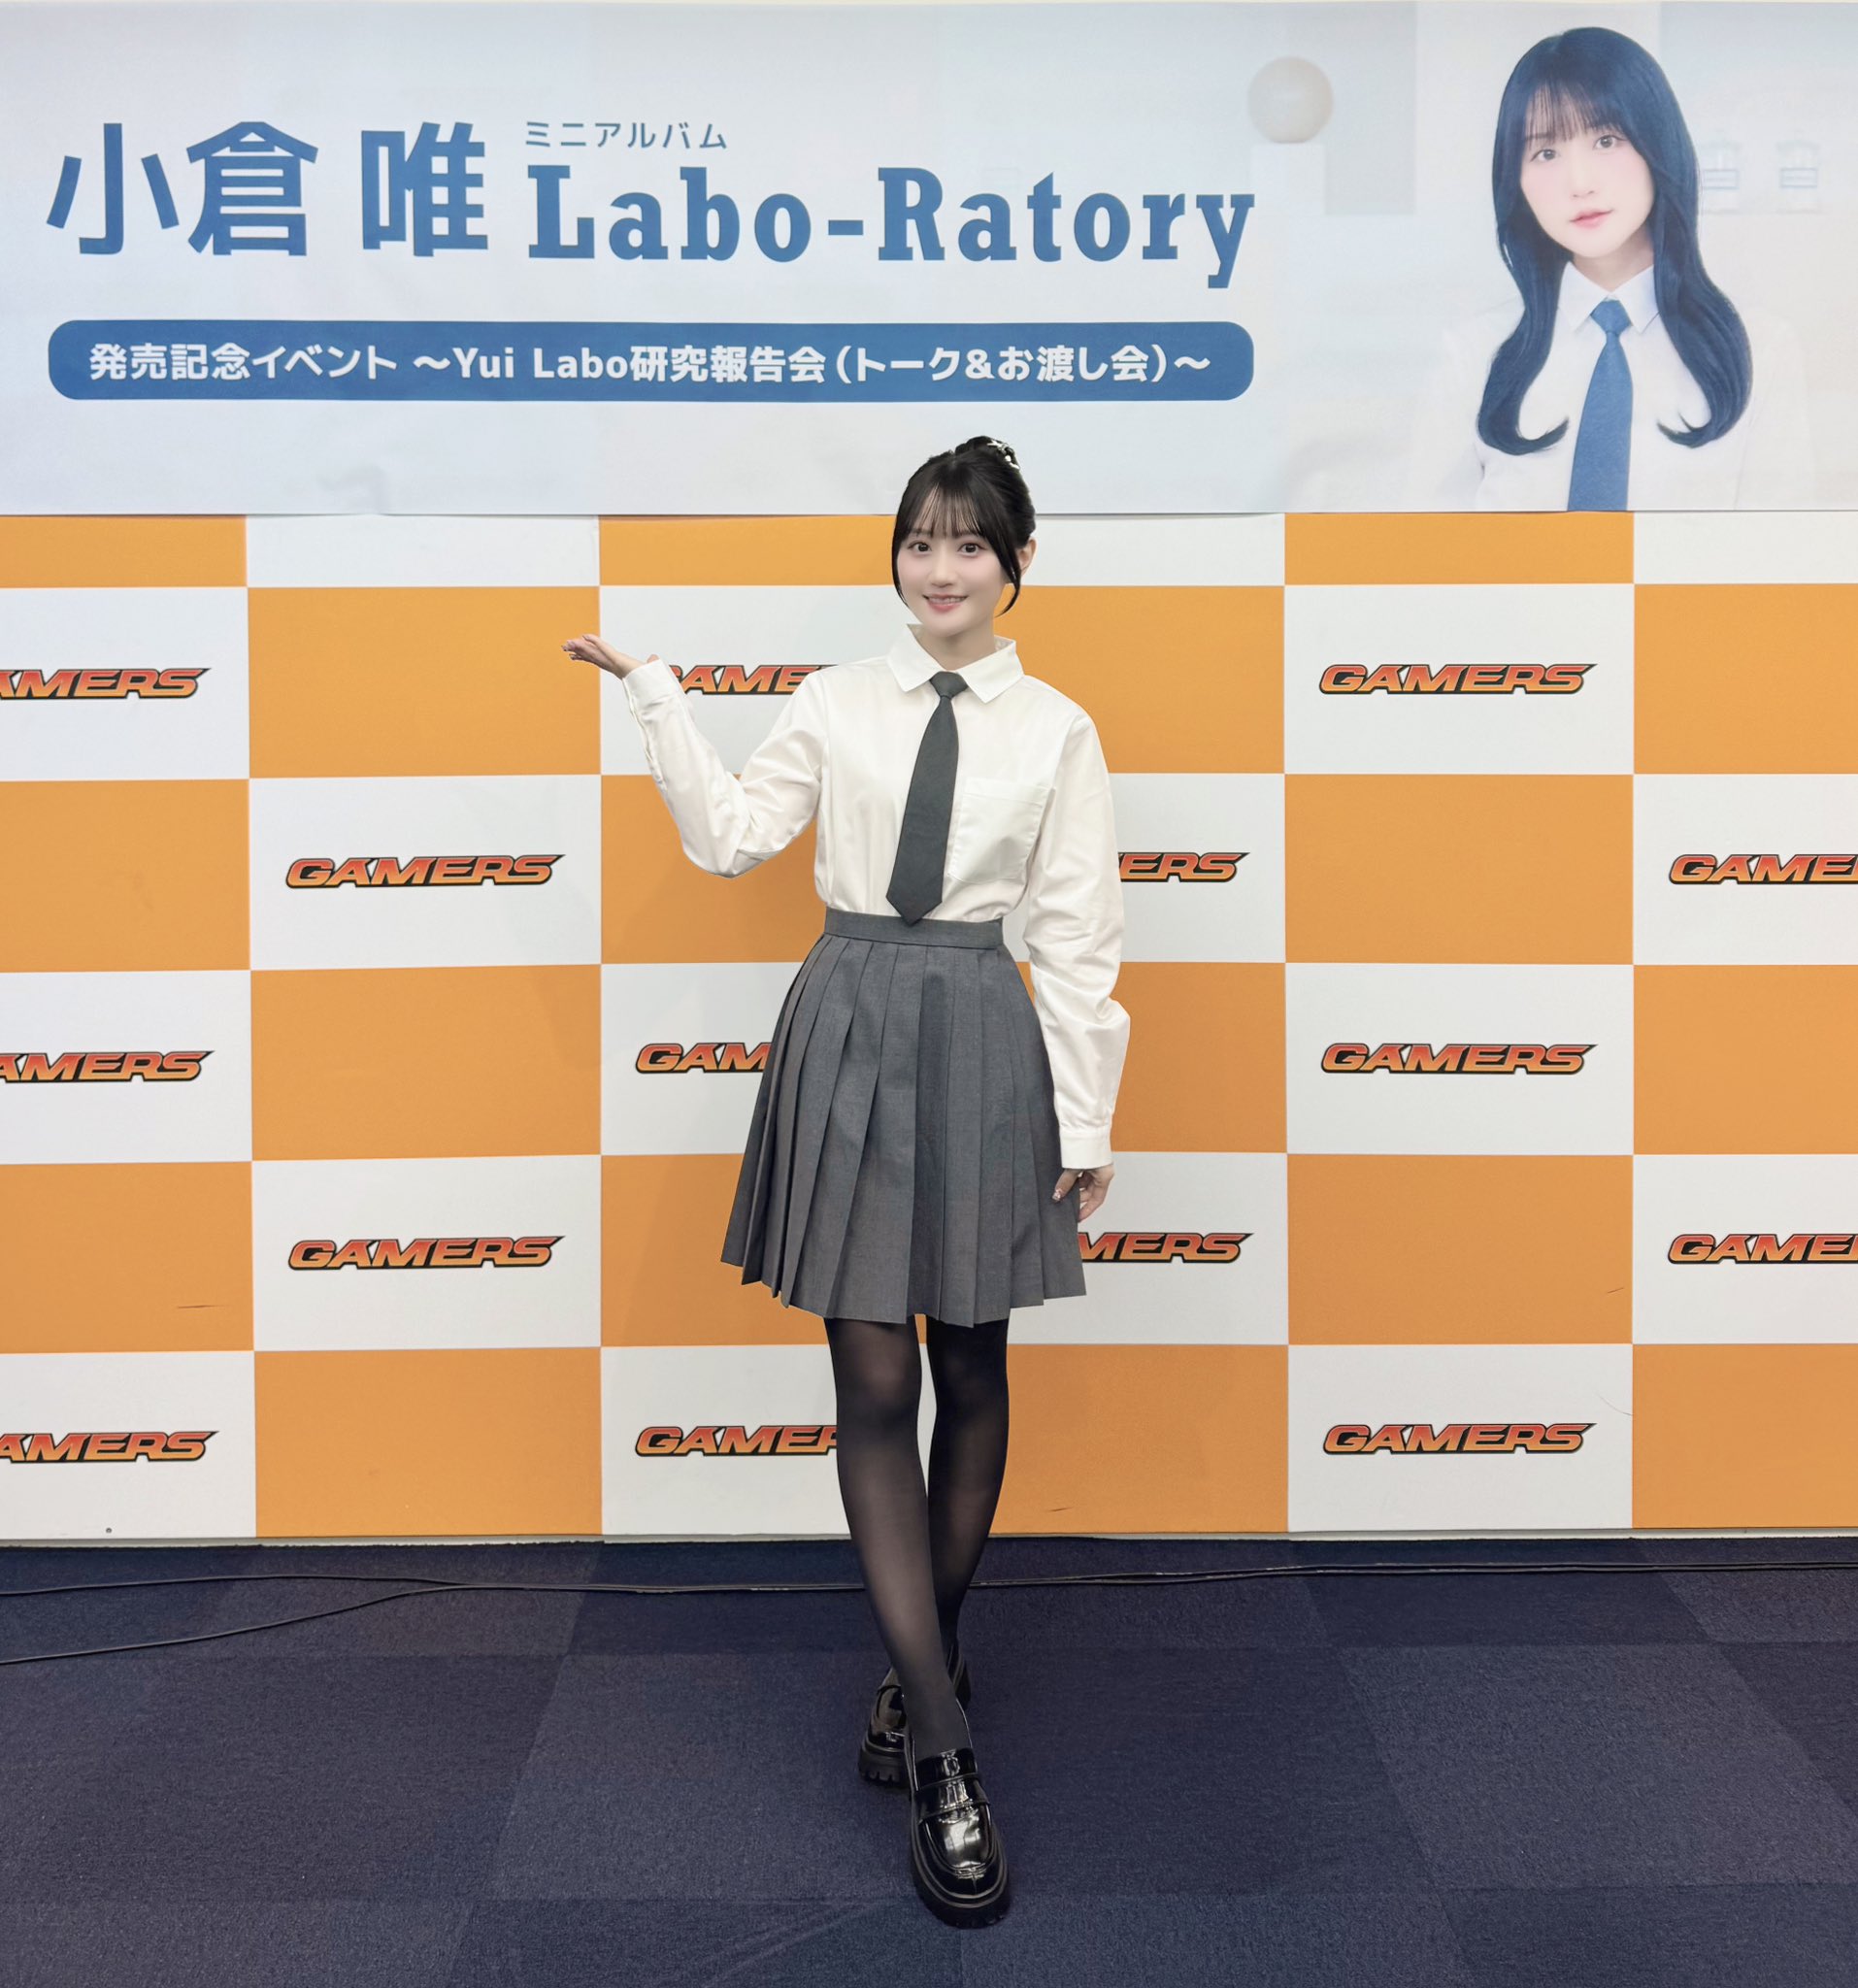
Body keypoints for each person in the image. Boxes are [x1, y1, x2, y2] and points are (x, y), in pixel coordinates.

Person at [561, 435, 1130, 1929]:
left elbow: (1076, 938)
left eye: (969, 544)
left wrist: (1083, 1124)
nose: (939, 570)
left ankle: (918, 1667)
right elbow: (729, 838)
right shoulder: (831, 701)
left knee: (974, 1370)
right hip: (851, 1023)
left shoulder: (1058, 730)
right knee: (876, 1382)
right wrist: (658, 697)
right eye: (918, 541)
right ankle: (942, 1745)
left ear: (1017, 565)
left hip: (983, 1033)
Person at [1404, 23, 1815, 510]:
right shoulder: (1473, 357)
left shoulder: (1761, 350)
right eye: (1546, 152)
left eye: (1606, 140)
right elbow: (1426, 551)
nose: (1579, 183)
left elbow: (1781, 550)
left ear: (1658, 146)